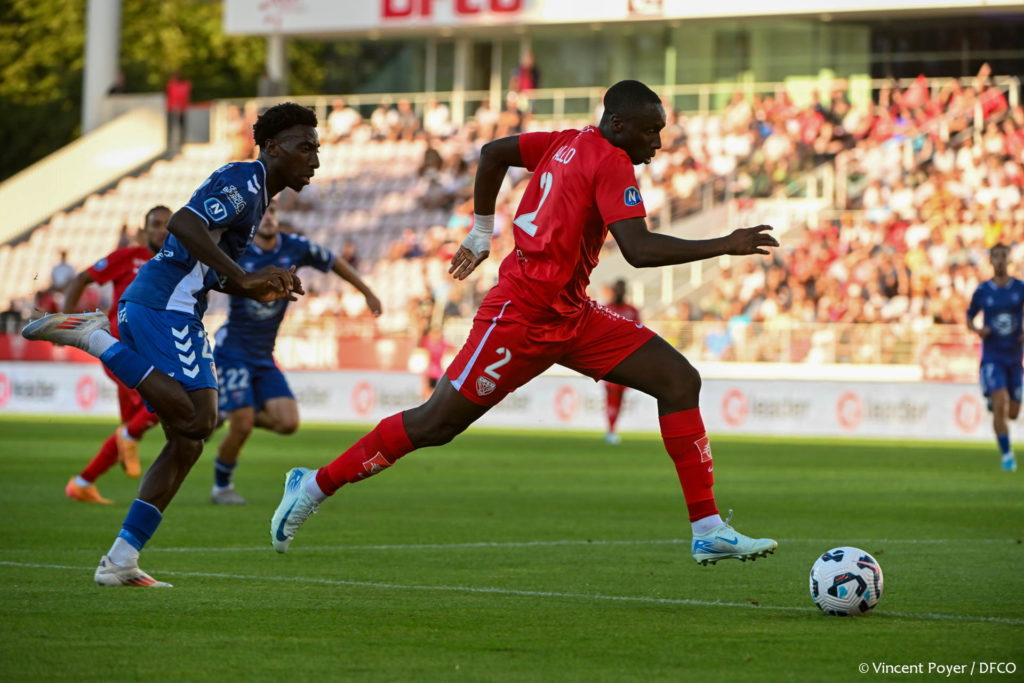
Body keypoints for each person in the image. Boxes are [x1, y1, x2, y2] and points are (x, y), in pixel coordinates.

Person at [270, 80, 780, 567]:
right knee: (434, 424)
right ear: (618, 124)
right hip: (520, 316)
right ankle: (313, 485)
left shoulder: (566, 140)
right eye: (650, 131)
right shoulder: (612, 161)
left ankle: (707, 528)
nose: (658, 143)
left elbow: (494, 152)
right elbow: (639, 249)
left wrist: (481, 230)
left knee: (679, 380)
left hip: (572, 313)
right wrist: (725, 243)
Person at [23, 102, 317, 587]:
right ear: (272, 147)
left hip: (175, 305)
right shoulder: (245, 179)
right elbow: (183, 223)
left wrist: (252, 287)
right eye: (305, 147)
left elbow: (208, 266)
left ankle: (121, 560)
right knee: (198, 421)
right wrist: (243, 275)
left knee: (188, 442)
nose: (314, 160)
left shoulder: (256, 194)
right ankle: (93, 337)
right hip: (163, 303)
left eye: (316, 150)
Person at [210, 200, 382, 505]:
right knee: (243, 425)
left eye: (272, 212)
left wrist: (367, 292)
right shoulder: (238, 248)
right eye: (262, 212)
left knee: (288, 423)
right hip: (233, 349)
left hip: (264, 354)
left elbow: (333, 261)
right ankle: (222, 487)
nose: (268, 217)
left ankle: (229, 410)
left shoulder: (294, 246)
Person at [61, 206, 171, 503]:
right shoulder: (128, 257)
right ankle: (126, 439)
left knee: (134, 424)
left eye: (168, 224)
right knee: (163, 403)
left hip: (151, 351)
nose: (162, 230)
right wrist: (66, 321)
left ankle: (83, 483)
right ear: (145, 231)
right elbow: (82, 278)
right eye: (156, 224)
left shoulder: (177, 262)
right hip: (118, 349)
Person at [966, 243, 1022, 472]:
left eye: (1003, 256)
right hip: (992, 357)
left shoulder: (1020, 288)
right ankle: (1007, 456)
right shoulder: (983, 290)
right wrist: (978, 330)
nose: (999, 260)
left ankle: (995, 401)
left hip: (1015, 358)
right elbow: (969, 317)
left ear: (1008, 259)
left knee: (1013, 412)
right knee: (1001, 404)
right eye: (995, 256)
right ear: (990, 260)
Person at [601, 279, 641, 445]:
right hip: (609, 360)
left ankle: (612, 429)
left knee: (619, 397)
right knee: (611, 396)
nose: (619, 292)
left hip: (626, 360)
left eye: (621, 289)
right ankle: (611, 430)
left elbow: (639, 333)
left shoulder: (632, 311)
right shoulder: (605, 309)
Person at [165, 71, 191, 150]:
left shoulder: (172, 85)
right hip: (178, 108)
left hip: (175, 108)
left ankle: (175, 143)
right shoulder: (185, 85)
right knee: (177, 127)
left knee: (173, 127)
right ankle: (179, 143)